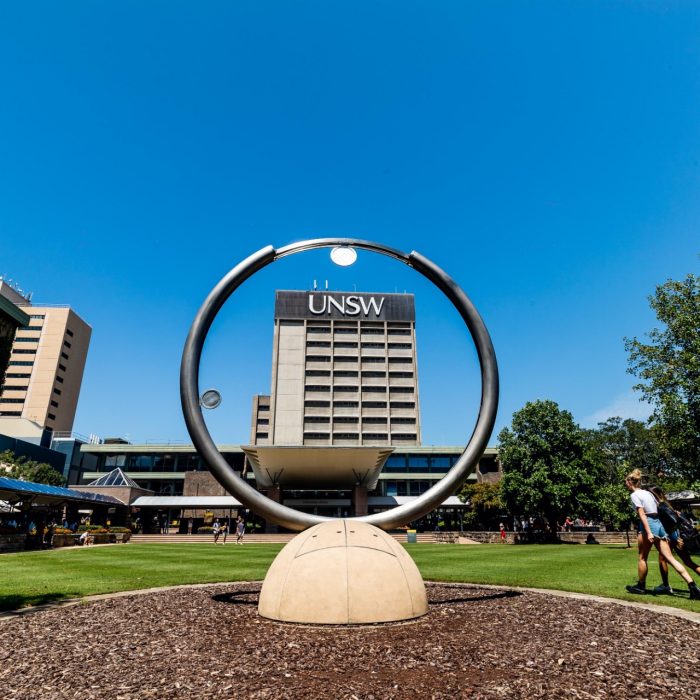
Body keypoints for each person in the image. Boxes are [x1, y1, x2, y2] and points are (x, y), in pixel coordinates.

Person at [624, 469, 700, 599]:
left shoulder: (634, 495)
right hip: (658, 524)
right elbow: (659, 510)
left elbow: (642, 514)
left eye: (626, 481)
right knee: (670, 558)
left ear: (630, 482)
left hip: (648, 524)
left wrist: (648, 532)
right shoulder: (648, 493)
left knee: (642, 557)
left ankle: (641, 586)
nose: (625, 484)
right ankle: (693, 587)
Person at [649, 486, 700, 595]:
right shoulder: (667, 505)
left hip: (673, 537)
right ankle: (666, 585)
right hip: (677, 536)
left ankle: (666, 586)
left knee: (663, 559)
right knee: (688, 562)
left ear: (653, 496)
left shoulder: (661, 506)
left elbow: (673, 523)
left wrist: (675, 538)